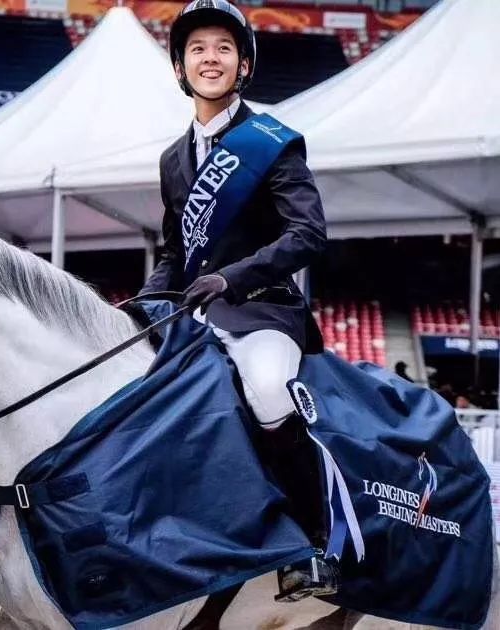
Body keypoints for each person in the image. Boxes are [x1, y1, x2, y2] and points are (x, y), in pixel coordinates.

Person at [141, 0, 335, 602]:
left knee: (268, 389)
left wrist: (231, 278)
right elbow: (175, 253)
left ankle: (314, 544)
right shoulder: (173, 159)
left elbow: (308, 234)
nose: (210, 58)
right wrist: (143, 303)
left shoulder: (271, 142)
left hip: (262, 312)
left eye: (223, 48)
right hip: (195, 315)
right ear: (180, 67)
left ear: (243, 65)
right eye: (197, 49)